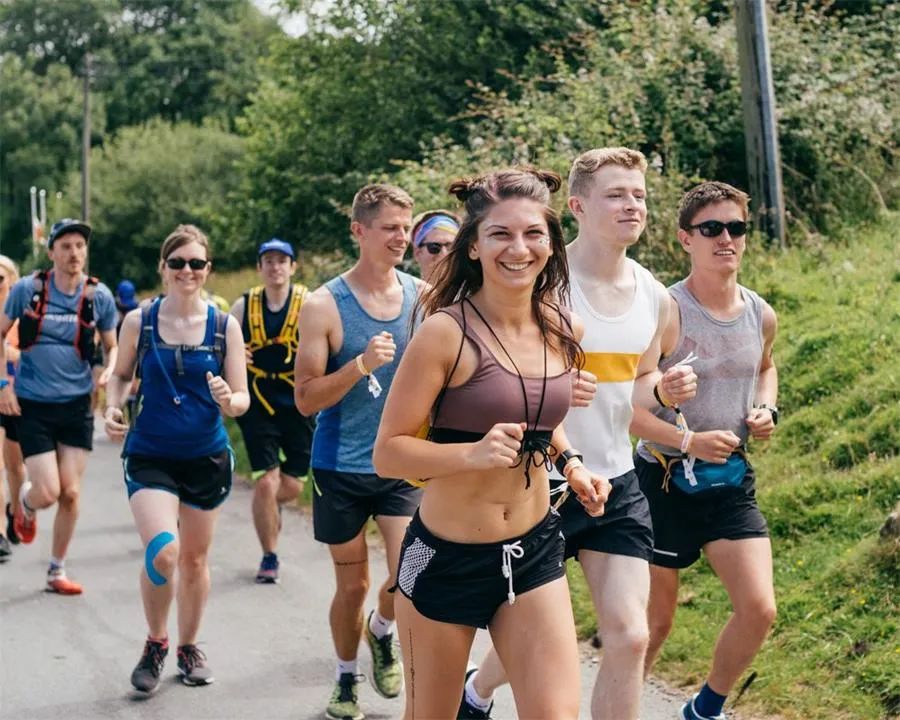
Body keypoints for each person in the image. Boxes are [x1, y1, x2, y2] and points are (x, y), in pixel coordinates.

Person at [459, 148, 697, 720]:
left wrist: (663, 394)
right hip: (541, 483)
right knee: (535, 639)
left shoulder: (656, 297)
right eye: (616, 194)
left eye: (639, 195)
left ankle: (475, 691)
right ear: (578, 206)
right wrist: (556, 392)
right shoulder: (541, 287)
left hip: (616, 482)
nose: (632, 205)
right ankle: (477, 690)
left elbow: (637, 391)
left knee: (631, 636)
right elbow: (504, 383)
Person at [373, 167, 611, 720]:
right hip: (444, 558)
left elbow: (536, 415)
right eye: (500, 234)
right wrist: (468, 454)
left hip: (531, 551)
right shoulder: (445, 333)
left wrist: (572, 465)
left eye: (532, 234)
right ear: (474, 247)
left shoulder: (563, 330)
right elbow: (388, 451)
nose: (518, 248)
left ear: (551, 246)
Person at [631, 181, 778, 720]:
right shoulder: (666, 309)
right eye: (711, 229)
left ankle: (704, 709)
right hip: (662, 481)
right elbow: (631, 407)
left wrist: (767, 409)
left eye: (735, 228)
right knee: (653, 625)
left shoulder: (760, 313)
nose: (725, 239)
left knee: (759, 608)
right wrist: (672, 408)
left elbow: (765, 368)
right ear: (684, 239)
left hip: (728, 481)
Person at [294, 183, 424, 720]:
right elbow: (305, 399)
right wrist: (360, 366)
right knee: (353, 586)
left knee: (412, 574)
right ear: (359, 231)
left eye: (406, 227)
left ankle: (383, 630)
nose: (401, 237)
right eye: (390, 227)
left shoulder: (422, 296)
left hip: (401, 463)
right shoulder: (324, 305)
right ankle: (346, 679)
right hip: (340, 466)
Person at [103, 223, 249, 693]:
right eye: (178, 262)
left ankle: (188, 646)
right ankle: (156, 641)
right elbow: (120, 375)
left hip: (206, 456)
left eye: (197, 263)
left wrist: (230, 400)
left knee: (195, 560)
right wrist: (111, 404)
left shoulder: (224, 326)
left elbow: (242, 398)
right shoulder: (139, 322)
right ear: (163, 268)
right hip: (150, 454)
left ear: (208, 269)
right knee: (165, 553)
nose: (188, 271)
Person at [0, 219, 118, 594]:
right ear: (51, 252)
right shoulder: (28, 290)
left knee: (71, 492)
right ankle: (26, 502)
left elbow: (113, 346)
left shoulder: (99, 296)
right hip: (33, 404)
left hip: (76, 405)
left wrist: (108, 372)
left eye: (80, 246)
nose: (74, 253)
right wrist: (5, 384)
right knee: (48, 491)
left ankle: (56, 570)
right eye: (66, 246)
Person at [230, 238, 315, 583]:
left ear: (293, 267)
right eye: (269, 261)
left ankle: (267, 507)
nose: (275, 266)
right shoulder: (243, 305)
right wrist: (234, 355)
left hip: (298, 402)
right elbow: (222, 342)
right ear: (259, 267)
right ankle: (269, 555)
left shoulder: (309, 303)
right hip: (258, 401)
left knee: (292, 486)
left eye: (282, 260)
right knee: (266, 482)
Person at [0, 255, 26, 562]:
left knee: (16, 466)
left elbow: (30, 354)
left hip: (19, 396)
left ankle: (16, 512)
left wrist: (11, 352)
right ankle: (1, 535)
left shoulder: (21, 315)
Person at [410, 210, 459, 282]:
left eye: (451, 247)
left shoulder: (475, 291)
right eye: (434, 247)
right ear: (417, 253)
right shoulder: (405, 292)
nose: (444, 254)